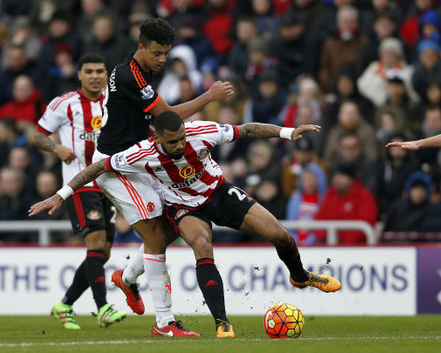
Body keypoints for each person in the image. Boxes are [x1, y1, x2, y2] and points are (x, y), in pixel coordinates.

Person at [29, 111, 342, 338]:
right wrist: (62, 194)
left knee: (280, 235)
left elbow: (246, 129)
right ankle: (222, 323)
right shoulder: (142, 153)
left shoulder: (201, 131)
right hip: (183, 208)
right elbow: (98, 166)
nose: (179, 146)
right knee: (202, 246)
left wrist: (287, 133)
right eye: (172, 142)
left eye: (181, 139)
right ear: (157, 138)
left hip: (219, 192)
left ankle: (300, 277)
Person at [91, 17, 234, 337]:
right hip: (116, 167)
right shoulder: (131, 76)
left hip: (138, 160)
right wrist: (209, 97)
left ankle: (126, 278)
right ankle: (165, 323)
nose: (161, 59)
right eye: (156, 53)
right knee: (157, 237)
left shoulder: (137, 69)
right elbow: (168, 117)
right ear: (140, 47)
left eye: (166, 53)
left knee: (170, 227)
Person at [31, 53, 126, 329]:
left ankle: (64, 304)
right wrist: (56, 147)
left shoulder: (114, 100)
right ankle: (103, 308)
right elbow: (37, 134)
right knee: (95, 244)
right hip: (79, 184)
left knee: (103, 252)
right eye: (89, 71)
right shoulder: (64, 104)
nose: (95, 76)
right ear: (79, 75)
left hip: (109, 185)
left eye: (99, 71)